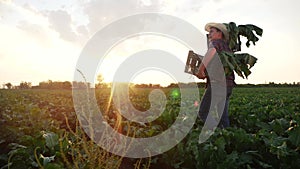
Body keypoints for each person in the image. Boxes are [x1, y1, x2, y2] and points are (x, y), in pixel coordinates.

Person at [196, 22, 236, 129]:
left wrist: (200, 70)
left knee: (203, 112)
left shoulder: (216, 43)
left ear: (220, 33)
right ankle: (227, 136)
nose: (209, 34)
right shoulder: (227, 47)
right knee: (223, 117)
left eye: (212, 31)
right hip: (228, 85)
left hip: (217, 85)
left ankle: (216, 131)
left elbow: (211, 51)